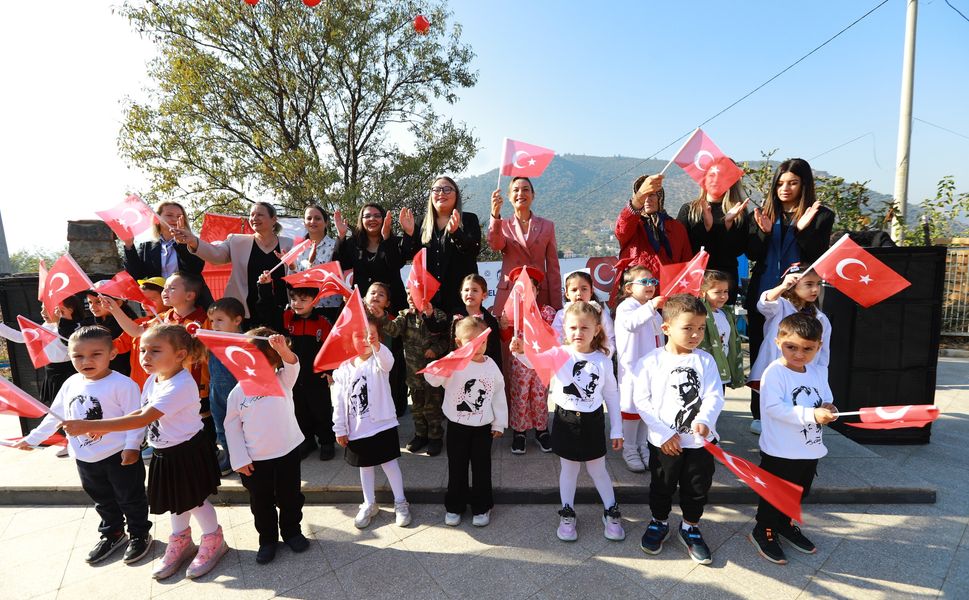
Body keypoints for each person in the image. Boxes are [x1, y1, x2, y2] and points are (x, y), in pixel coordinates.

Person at [61, 325, 226, 580]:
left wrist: (92, 425)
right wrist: (102, 429)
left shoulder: (180, 385)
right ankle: (181, 541)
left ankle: (214, 540)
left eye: (155, 351)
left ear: (181, 354)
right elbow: (139, 413)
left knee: (194, 500)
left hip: (185, 452)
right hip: (164, 451)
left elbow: (144, 418)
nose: (145, 357)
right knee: (175, 500)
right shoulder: (154, 378)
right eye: (143, 350)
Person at [16, 326, 152, 565]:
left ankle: (139, 534)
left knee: (131, 497)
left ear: (111, 354)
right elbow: (55, 415)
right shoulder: (70, 383)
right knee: (102, 499)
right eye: (78, 355)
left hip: (119, 455)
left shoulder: (124, 384)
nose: (86, 361)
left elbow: (135, 419)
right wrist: (34, 438)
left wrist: (132, 447)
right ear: (69, 356)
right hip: (85, 457)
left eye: (95, 354)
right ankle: (112, 533)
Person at [511, 302, 625, 543]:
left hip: (593, 422)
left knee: (598, 469)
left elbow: (612, 396)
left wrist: (617, 428)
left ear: (596, 329)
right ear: (564, 328)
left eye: (585, 327)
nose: (578, 332)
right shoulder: (559, 353)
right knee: (569, 470)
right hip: (565, 421)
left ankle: (611, 511)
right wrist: (519, 351)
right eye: (573, 327)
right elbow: (534, 361)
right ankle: (567, 512)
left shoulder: (603, 360)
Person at [633, 294, 724, 566]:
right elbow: (642, 401)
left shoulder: (705, 361)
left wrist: (706, 420)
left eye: (700, 328)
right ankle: (659, 522)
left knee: (697, 487)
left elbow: (714, 395)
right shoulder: (650, 362)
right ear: (666, 328)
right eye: (687, 328)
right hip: (665, 444)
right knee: (662, 485)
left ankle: (690, 526)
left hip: (698, 443)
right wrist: (662, 434)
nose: (695, 334)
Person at [745, 159, 834, 433]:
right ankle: (760, 413)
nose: (785, 188)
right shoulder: (763, 213)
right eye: (781, 182)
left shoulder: (821, 215)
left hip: (800, 297)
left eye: (792, 182)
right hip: (766, 293)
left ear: (804, 184)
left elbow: (817, 255)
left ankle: (798, 406)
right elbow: (752, 254)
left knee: (799, 349)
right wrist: (764, 232)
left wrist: (801, 229)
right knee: (764, 352)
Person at [749, 313, 838, 565]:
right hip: (780, 450)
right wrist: (812, 414)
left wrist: (829, 410)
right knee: (774, 494)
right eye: (792, 347)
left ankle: (784, 524)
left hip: (809, 449)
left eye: (808, 349)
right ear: (778, 342)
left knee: (799, 492)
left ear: (819, 347)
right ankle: (763, 530)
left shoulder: (818, 371)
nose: (799, 354)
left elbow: (826, 399)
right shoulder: (775, 373)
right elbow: (774, 408)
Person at [223, 328, 310, 565]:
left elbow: (292, 365)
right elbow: (231, 427)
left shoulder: (282, 380)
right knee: (261, 502)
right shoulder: (238, 392)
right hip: (255, 460)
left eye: (262, 360)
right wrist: (239, 459)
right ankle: (267, 539)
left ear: (273, 361)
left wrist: (283, 349)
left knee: (290, 496)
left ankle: (292, 531)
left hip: (288, 452)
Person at [425, 316, 507, 527]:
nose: (478, 347)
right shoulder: (454, 364)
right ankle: (455, 506)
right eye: (471, 342)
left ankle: (482, 506)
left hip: (483, 428)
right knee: (457, 467)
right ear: (459, 342)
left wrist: (499, 423)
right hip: (457, 427)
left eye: (482, 342)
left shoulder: (491, 367)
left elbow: (498, 395)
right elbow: (432, 378)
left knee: (482, 468)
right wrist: (449, 359)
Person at [332, 315, 412, 529]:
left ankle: (400, 502)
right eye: (360, 336)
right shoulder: (343, 368)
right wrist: (339, 428)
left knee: (389, 463)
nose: (366, 340)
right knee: (364, 466)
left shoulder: (378, 360)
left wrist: (379, 347)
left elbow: (389, 362)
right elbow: (339, 400)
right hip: (357, 428)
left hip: (382, 425)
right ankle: (369, 503)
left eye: (372, 336)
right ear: (350, 339)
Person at [334, 204, 414, 416]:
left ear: (383, 219)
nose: (372, 219)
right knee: (365, 351)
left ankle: (396, 404)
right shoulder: (352, 244)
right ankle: (369, 400)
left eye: (377, 215)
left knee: (392, 353)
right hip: (362, 308)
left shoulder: (392, 241)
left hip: (391, 307)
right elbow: (338, 263)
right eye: (367, 216)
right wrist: (341, 236)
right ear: (361, 219)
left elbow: (398, 261)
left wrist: (388, 238)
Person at [255, 273, 335, 461]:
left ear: (314, 301)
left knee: (321, 409)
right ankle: (306, 441)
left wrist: (330, 371)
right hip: (292, 376)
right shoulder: (286, 318)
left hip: (316, 376)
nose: (297, 303)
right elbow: (266, 312)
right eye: (293, 299)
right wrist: (265, 287)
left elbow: (332, 347)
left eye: (303, 299)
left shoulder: (323, 322)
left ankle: (326, 441)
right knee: (298, 410)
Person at [175, 201, 294, 319]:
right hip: (245, 311)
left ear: (273, 219)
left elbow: (296, 273)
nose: (254, 218)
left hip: (281, 309)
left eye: (260, 215)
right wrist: (192, 240)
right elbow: (216, 255)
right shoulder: (237, 241)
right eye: (252, 215)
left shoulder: (289, 244)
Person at [747, 265, 831, 408]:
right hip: (780, 369)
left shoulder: (821, 318)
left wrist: (821, 380)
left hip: (805, 373)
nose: (815, 289)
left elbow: (823, 356)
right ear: (792, 285)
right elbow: (765, 304)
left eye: (818, 284)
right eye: (809, 284)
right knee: (774, 405)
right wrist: (783, 287)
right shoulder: (781, 306)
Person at [382, 291, 450, 457]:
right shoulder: (405, 315)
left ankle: (435, 437)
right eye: (407, 294)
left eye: (415, 294)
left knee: (433, 408)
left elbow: (447, 338)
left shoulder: (438, 315)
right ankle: (420, 435)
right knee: (417, 408)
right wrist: (381, 316)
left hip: (433, 374)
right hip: (413, 373)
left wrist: (435, 349)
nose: (410, 298)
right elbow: (393, 330)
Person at [614, 263, 666, 472]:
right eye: (644, 282)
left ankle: (643, 446)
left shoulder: (653, 310)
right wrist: (652, 306)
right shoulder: (626, 307)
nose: (650, 285)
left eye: (653, 281)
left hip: (652, 370)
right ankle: (629, 448)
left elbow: (660, 335)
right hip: (633, 369)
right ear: (628, 288)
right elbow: (631, 324)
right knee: (631, 410)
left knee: (648, 410)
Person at [500, 266, 557, 454]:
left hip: (541, 362)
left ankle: (542, 430)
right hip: (520, 363)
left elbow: (550, 337)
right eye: (521, 288)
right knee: (520, 396)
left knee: (540, 397)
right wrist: (504, 327)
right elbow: (505, 336)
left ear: (537, 291)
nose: (526, 292)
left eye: (530, 288)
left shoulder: (546, 311)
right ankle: (520, 431)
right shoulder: (512, 311)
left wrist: (530, 344)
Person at [488, 176, 563, 315]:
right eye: (515, 190)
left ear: (533, 195)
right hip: (511, 292)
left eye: (525, 190)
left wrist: (557, 306)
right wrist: (495, 214)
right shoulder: (502, 225)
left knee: (539, 335)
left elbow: (553, 269)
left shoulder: (547, 226)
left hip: (539, 294)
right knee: (509, 336)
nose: (520, 194)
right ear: (509, 196)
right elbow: (495, 245)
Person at [408, 176, 482, 314]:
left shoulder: (469, 219)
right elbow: (409, 255)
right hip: (429, 303)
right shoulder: (420, 223)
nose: (441, 193)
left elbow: (473, 250)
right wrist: (408, 234)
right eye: (436, 190)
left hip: (460, 302)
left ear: (456, 195)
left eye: (447, 189)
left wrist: (456, 233)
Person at [614, 175, 692, 302]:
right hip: (637, 296)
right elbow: (621, 229)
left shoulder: (677, 227)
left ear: (659, 197)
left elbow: (686, 263)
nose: (647, 199)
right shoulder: (632, 224)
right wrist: (637, 200)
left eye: (651, 195)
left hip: (668, 296)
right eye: (643, 195)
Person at [676, 180, 750, 303]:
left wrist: (728, 224)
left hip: (725, 282)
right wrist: (706, 228)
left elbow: (737, 250)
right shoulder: (689, 209)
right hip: (695, 278)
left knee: (723, 320)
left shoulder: (739, 211)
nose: (716, 180)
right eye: (712, 176)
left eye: (721, 176)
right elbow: (682, 248)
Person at [206, 297, 245, 475]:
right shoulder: (211, 341)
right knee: (221, 427)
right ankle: (229, 457)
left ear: (237, 320)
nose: (214, 325)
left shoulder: (246, 342)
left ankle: (245, 458)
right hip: (216, 393)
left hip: (238, 393)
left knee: (242, 427)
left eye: (220, 320)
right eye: (212, 321)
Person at [123, 201, 206, 281]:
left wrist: (181, 243)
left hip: (188, 294)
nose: (174, 219)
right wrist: (129, 245)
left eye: (179, 216)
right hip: (159, 295)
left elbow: (195, 269)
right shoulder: (146, 247)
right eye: (169, 215)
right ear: (157, 218)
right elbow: (136, 274)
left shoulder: (193, 242)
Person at [292, 204, 342, 322]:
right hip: (303, 307)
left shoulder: (336, 245)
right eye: (309, 218)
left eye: (318, 218)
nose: (313, 221)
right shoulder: (297, 248)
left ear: (326, 223)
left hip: (329, 306)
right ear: (304, 222)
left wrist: (312, 262)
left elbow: (337, 274)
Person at [698, 271, 745, 390]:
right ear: (702, 293)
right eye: (717, 292)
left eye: (725, 291)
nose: (723, 296)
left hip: (721, 371)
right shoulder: (698, 314)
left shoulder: (726, 314)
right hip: (704, 372)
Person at [552, 270, 616, 353]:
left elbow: (610, 339)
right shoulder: (561, 314)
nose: (579, 293)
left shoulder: (600, 313)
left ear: (591, 291)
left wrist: (601, 357)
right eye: (574, 290)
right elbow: (555, 339)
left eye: (584, 289)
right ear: (566, 293)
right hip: (569, 359)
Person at [449, 274, 503, 370]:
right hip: (459, 369)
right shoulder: (454, 315)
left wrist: (497, 372)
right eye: (466, 290)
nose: (470, 294)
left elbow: (495, 351)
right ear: (461, 293)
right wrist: (429, 315)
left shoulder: (490, 321)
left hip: (482, 370)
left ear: (484, 295)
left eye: (475, 290)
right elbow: (440, 332)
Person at [84, 290, 137, 376]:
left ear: (118, 303)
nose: (92, 306)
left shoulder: (128, 323)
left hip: (123, 372)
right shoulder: (90, 322)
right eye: (90, 302)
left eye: (98, 302)